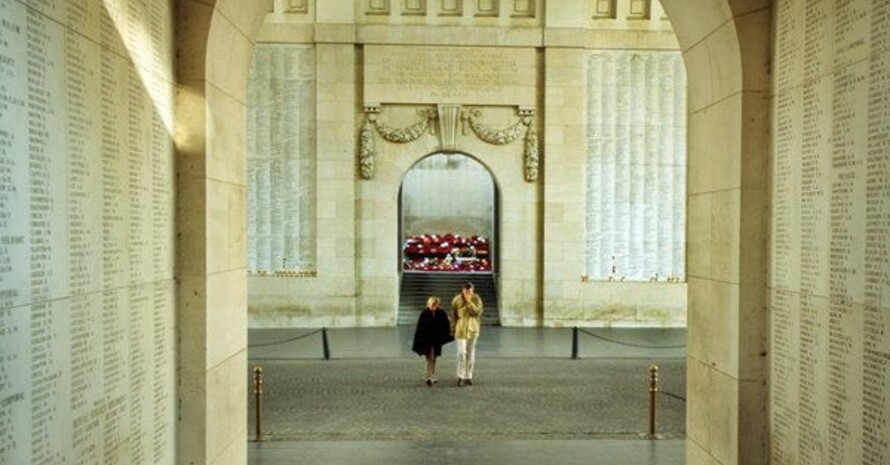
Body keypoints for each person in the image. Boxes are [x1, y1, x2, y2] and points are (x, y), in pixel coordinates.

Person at [411, 296, 453, 386]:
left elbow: (445, 325)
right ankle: (429, 376)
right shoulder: (424, 314)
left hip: (436, 340)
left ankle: (431, 375)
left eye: (436, 304)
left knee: (433, 358)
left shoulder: (441, 313)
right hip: (427, 340)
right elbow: (420, 328)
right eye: (433, 304)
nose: (435, 306)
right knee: (430, 358)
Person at [450, 282, 483, 386]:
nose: (467, 293)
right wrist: (452, 329)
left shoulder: (476, 299)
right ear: (462, 290)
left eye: (470, 291)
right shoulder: (456, 299)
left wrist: (469, 302)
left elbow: (477, 312)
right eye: (465, 291)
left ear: (473, 291)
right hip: (460, 328)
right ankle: (460, 376)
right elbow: (453, 315)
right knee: (461, 353)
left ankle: (468, 375)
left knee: (470, 353)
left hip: (472, 327)